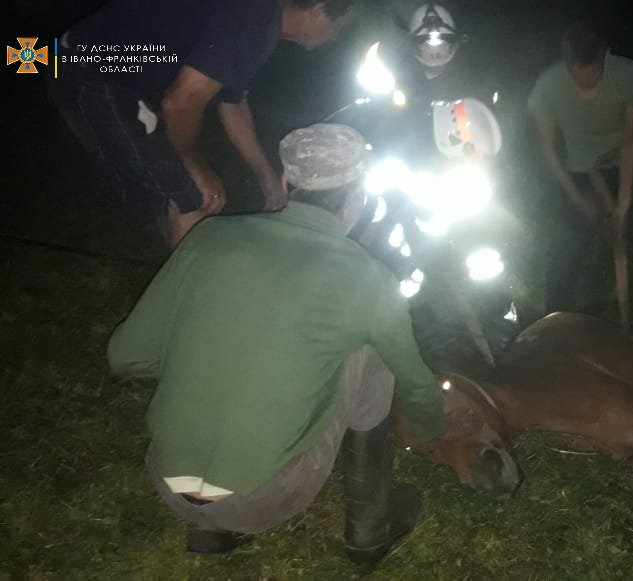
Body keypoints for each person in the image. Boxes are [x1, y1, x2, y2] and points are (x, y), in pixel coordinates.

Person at [106, 123, 451, 563]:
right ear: (359, 197)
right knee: (371, 353)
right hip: (265, 497)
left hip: (165, 478)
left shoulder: (209, 238)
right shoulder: (369, 279)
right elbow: (415, 383)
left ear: (287, 184)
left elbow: (125, 355)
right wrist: (430, 430)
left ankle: (208, 530)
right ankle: (370, 528)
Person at [50, 0, 355, 249]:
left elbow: (232, 102)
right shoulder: (252, 21)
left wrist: (266, 176)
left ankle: (179, 262)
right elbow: (180, 102)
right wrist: (196, 165)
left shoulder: (262, 21)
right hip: (89, 71)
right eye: (338, 27)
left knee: (181, 192)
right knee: (193, 198)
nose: (335, 39)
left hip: (108, 70)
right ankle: (191, 302)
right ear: (317, 8)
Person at [527, 21, 633, 313]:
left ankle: (631, 299)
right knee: (568, 247)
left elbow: (629, 139)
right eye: (576, 74)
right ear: (567, 62)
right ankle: (556, 316)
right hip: (578, 170)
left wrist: (624, 202)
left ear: (604, 56)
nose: (585, 81)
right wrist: (576, 197)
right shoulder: (548, 85)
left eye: (594, 73)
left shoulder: (629, 76)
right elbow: (546, 147)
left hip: (617, 161)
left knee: (624, 234)